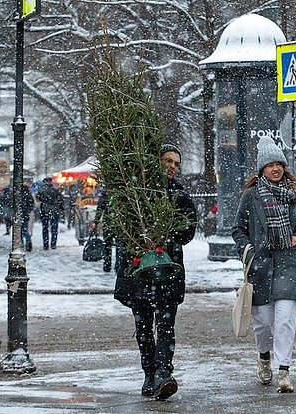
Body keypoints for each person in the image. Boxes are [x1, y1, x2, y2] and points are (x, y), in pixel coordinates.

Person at [231, 136, 296, 393]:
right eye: (270, 165)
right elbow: (238, 229)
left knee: (285, 319)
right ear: (262, 168)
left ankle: (284, 370)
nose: (276, 169)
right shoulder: (251, 196)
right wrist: (246, 249)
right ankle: (264, 357)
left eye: (279, 164)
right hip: (260, 267)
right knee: (262, 323)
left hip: (288, 265)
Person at [114, 143, 197, 400]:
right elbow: (117, 229)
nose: (172, 167)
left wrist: (166, 235)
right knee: (143, 327)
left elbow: (188, 233)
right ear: (155, 161)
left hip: (168, 272)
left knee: (166, 325)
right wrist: (142, 240)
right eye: (168, 161)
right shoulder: (134, 194)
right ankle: (148, 374)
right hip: (138, 270)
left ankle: (163, 373)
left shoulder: (180, 197)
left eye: (176, 163)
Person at [92, 188, 115, 272]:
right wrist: (96, 222)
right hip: (112, 223)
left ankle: (107, 265)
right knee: (111, 245)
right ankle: (113, 266)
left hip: (109, 223)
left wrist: (95, 222)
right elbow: (99, 210)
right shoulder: (111, 195)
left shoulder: (104, 196)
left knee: (108, 245)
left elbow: (99, 210)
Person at [36, 177, 63, 250]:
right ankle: (53, 244)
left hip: (45, 211)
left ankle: (45, 244)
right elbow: (61, 200)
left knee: (45, 229)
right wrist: (60, 208)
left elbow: (38, 199)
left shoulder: (41, 191)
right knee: (54, 229)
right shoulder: (56, 191)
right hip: (54, 211)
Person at [21, 182, 36, 252]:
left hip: (19, 214)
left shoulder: (18, 195)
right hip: (26, 214)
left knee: (19, 230)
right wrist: (28, 211)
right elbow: (32, 205)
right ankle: (28, 242)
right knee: (25, 229)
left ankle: (20, 243)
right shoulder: (29, 195)